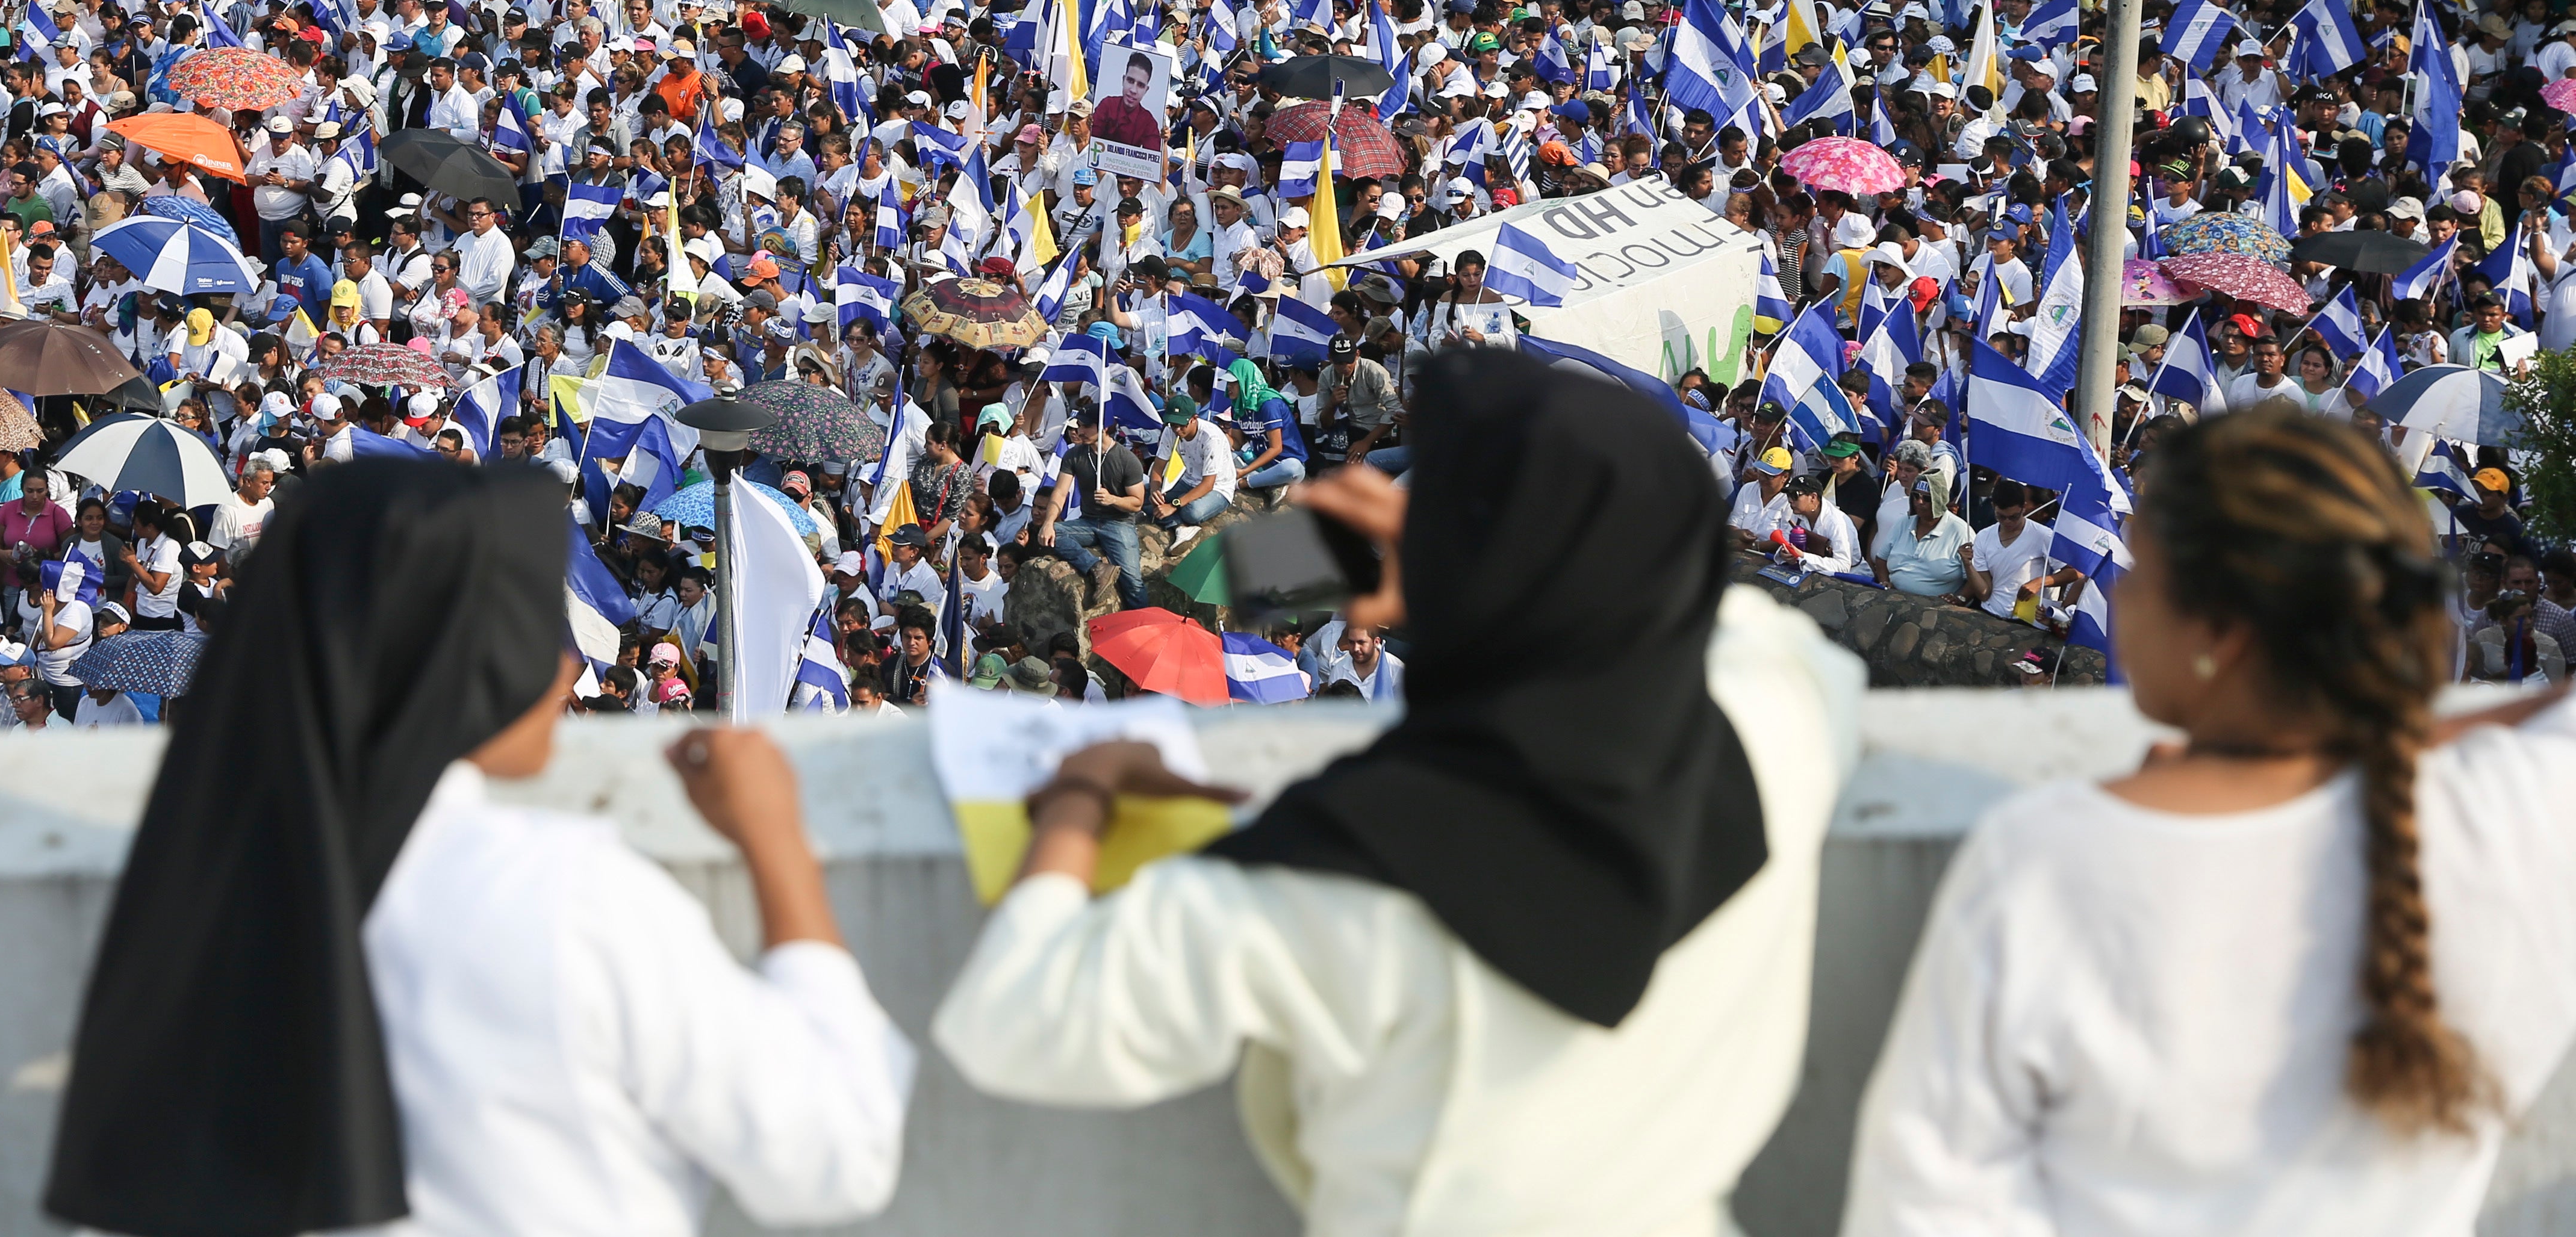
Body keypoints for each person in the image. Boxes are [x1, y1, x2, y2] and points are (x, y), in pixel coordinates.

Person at [930, 353, 1864, 1237]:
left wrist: (1081, 798)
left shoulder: (1341, 874)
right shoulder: (1775, 724)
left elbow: (1018, 1021)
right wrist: (1462, 567)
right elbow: (1736, 625)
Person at [44, 454, 912, 1237]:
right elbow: (834, 1156)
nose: (568, 667)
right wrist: (778, 843)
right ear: (465, 658)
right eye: (538, 628)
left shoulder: (190, 903)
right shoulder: (570, 897)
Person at [1848, 406, 2576, 1234]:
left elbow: (1920, 1207)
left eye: (2141, 567)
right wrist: (2380, 728)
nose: (2120, 588)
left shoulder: (2046, 859)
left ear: (2220, 632)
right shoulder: (2507, 818)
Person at [1085, 48, 1166, 156]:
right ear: (1123, 80)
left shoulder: (1149, 122)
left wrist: (1164, 142)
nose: (1133, 90)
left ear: (1146, 90)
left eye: (1140, 85)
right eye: (1130, 81)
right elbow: (1090, 142)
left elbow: (1153, 158)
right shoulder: (1107, 105)